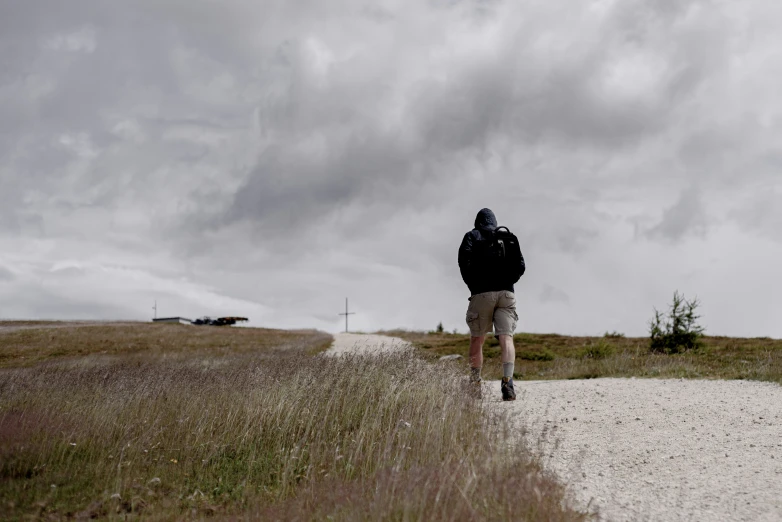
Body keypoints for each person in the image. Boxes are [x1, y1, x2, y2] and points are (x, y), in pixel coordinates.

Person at [458, 208, 526, 401]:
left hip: (481, 293)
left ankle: (475, 385)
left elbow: (463, 262)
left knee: (477, 339)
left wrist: (474, 285)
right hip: (506, 293)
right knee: (507, 337)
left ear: (477, 222)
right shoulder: (506, 238)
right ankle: (508, 383)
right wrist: (508, 282)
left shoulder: (472, 236)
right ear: (494, 223)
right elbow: (521, 265)